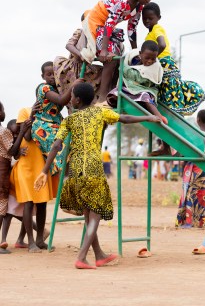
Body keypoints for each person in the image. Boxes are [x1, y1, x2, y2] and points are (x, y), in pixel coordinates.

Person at [34, 82, 161, 269]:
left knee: (88, 214)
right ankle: (82, 257)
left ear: (77, 100)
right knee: (95, 215)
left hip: (76, 170)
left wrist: (44, 171)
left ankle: (99, 255)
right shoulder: (100, 113)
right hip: (92, 168)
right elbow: (124, 118)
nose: (70, 99)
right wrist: (149, 117)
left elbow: (56, 146)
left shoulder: (69, 120)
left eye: (71, 97)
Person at [81, 0, 158, 100]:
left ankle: (112, 93)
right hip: (96, 22)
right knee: (110, 57)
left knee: (120, 58)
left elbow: (132, 29)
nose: (148, 1)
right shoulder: (122, 1)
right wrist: (104, 50)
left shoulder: (138, 8)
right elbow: (109, 23)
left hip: (107, 27)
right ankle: (102, 97)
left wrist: (136, 52)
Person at [142, 2, 205, 115]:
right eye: (145, 18)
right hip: (163, 64)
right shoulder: (149, 34)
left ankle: (173, 114)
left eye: (150, 18)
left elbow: (162, 44)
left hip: (164, 64)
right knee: (166, 90)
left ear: (159, 18)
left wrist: (152, 58)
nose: (147, 21)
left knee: (170, 92)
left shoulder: (157, 28)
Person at [10, 105, 58, 252]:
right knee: (29, 202)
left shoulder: (50, 114)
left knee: (42, 202)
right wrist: (32, 115)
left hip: (41, 165)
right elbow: (27, 136)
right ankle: (30, 242)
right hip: (27, 165)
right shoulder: (24, 111)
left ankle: (39, 240)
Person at [31, 61, 83, 175]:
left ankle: (69, 178)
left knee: (74, 143)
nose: (52, 77)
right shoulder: (44, 88)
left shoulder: (59, 88)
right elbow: (61, 100)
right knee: (62, 147)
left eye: (54, 74)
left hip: (56, 123)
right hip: (44, 126)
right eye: (48, 74)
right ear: (43, 76)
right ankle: (65, 179)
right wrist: (73, 86)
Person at [107, 40, 167, 123]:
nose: (150, 61)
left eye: (153, 59)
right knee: (114, 93)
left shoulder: (154, 67)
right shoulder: (132, 59)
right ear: (140, 54)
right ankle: (117, 103)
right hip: (128, 88)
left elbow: (145, 81)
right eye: (147, 58)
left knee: (145, 96)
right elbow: (123, 67)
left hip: (144, 89)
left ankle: (159, 116)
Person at [0, 103, 32, 254]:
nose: (4, 112)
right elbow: (12, 152)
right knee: (2, 210)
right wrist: (22, 133)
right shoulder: (3, 132)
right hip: (3, 175)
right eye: (2, 110)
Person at [53, 28, 104, 113]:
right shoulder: (81, 31)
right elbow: (69, 45)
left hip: (87, 70)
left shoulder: (101, 34)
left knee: (86, 100)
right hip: (72, 68)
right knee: (72, 97)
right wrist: (80, 55)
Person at [176, 110, 205, 228]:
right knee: (203, 194)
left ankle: (187, 220)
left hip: (193, 167)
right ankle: (201, 221)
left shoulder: (194, 133)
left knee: (189, 192)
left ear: (198, 120)